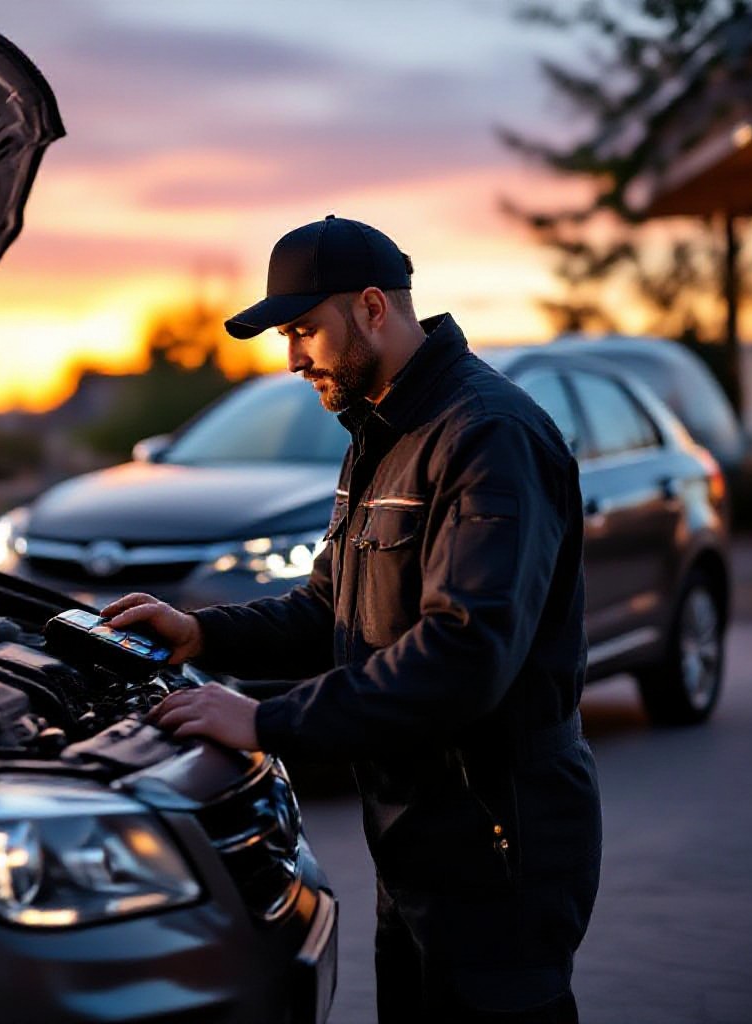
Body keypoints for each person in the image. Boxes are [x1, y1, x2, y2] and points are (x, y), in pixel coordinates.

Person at [102, 215, 602, 1023]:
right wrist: (202, 632)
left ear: (373, 307)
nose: (292, 359)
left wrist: (265, 720)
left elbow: (463, 654)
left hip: (499, 838)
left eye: (304, 330)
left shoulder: (489, 436)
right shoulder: (378, 433)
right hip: (415, 842)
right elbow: (330, 606)